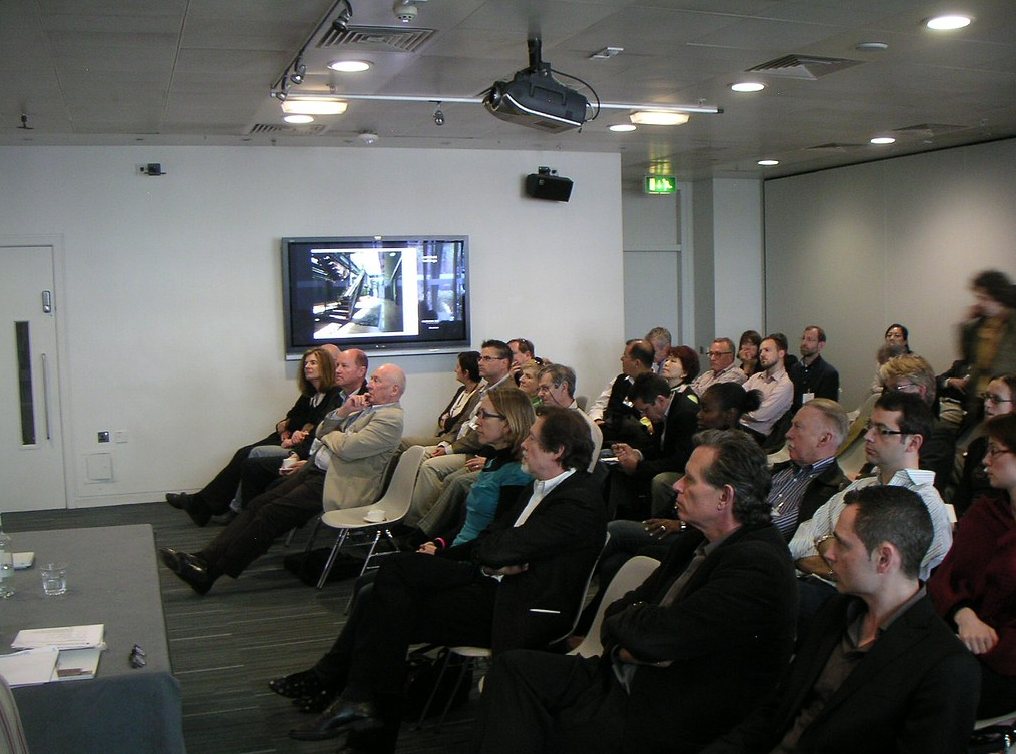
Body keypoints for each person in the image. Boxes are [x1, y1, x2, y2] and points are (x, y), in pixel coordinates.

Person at [279, 406, 607, 752]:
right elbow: (493, 541)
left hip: (521, 610)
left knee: (388, 592)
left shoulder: (578, 502)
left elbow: (496, 548)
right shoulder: (541, 485)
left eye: (532, 439)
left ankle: (359, 708)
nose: (524, 442)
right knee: (388, 598)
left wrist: (495, 558)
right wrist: (477, 556)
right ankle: (361, 710)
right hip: (494, 587)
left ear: (558, 452)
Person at [475, 430, 798, 754]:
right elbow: (619, 611)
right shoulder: (695, 540)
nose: (676, 486)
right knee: (512, 669)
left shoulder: (757, 564)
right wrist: (630, 641)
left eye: (689, 479)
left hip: (664, 707)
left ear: (725, 497)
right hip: (624, 675)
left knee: (542, 721)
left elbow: (655, 639)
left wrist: (638, 634)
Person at [702, 485, 980, 754]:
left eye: (843, 545)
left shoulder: (946, 667)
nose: (830, 554)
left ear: (884, 558)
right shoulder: (838, 610)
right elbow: (776, 710)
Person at [157, 363, 406, 595]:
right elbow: (321, 429)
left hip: (338, 484)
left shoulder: (390, 419)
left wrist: (333, 434)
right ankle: (203, 559)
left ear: (394, 390)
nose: (370, 384)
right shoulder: (365, 409)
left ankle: (209, 573)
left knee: (271, 515)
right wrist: (343, 412)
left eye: (376, 380)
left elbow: (347, 448)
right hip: (316, 471)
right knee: (258, 504)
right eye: (371, 379)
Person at [789, 391, 953, 638]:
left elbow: (886, 581)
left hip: (854, 611)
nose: (868, 437)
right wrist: (832, 551)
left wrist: (825, 556)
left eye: (881, 430)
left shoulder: (925, 505)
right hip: (811, 590)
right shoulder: (860, 488)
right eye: (869, 427)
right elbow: (800, 540)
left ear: (913, 443)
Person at [165, 346, 339, 526]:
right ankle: (206, 505)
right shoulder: (310, 394)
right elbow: (291, 417)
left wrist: (296, 429)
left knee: (248, 456)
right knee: (244, 452)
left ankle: (213, 507)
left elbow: (316, 427)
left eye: (313, 363)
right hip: (286, 440)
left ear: (326, 366)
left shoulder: (333, 395)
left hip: (301, 449)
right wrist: (288, 428)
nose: (307, 367)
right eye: (306, 363)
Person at [930, 412, 1016, 718]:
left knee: (932, 695)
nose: (984, 461)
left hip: (1002, 663)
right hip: (955, 636)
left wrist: (979, 642)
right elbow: (945, 577)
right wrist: (964, 615)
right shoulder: (985, 514)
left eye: (995, 451)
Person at [410, 387, 535, 546]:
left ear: (508, 424)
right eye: (478, 414)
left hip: (472, 556)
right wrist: (440, 542)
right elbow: (471, 524)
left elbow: (494, 537)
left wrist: (443, 552)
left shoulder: (516, 474)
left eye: (485, 415)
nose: (477, 422)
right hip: (459, 545)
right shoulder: (494, 460)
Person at [648, 382, 760, 514]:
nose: (699, 415)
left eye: (706, 410)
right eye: (700, 408)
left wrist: (681, 526)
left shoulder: (739, 451)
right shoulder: (705, 436)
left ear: (730, 414)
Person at [609, 373, 698, 519]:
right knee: (619, 468)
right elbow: (658, 448)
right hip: (673, 462)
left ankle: (656, 523)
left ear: (660, 400)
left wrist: (638, 466)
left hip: (686, 470)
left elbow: (680, 461)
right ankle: (624, 515)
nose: (644, 416)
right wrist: (637, 454)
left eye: (645, 410)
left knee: (661, 481)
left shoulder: (685, 414)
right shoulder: (661, 413)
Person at [946, 269, 1016, 414]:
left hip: (1005, 398)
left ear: (998, 297)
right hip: (979, 395)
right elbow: (968, 357)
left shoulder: (1012, 323)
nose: (980, 303)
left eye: (984, 298)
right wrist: (965, 324)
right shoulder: (981, 324)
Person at [953, 372, 1016, 516]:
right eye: (986, 397)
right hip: (970, 518)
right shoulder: (978, 444)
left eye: (996, 400)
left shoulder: (1012, 449)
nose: (987, 404)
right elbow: (962, 495)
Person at [398, 350, 480, 449]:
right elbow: (441, 418)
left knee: (403, 444)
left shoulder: (477, 395)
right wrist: (446, 421)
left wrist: (446, 421)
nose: (455, 370)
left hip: (451, 441)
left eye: (458, 367)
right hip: (442, 437)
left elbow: (455, 424)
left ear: (466, 372)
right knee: (401, 443)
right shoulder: (461, 391)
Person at [536, 363, 603, 472]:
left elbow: (584, 472)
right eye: (540, 389)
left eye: (545, 388)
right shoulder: (542, 419)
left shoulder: (587, 427)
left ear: (564, 387)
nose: (540, 394)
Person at [586, 339, 655, 446]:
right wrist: (597, 420)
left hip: (631, 442)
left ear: (637, 363)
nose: (621, 359)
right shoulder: (620, 380)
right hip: (605, 432)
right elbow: (599, 405)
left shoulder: (657, 387)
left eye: (625, 356)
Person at [739, 333, 794, 442]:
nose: (762, 355)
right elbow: (736, 397)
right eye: (760, 351)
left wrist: (737, 411)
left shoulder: (785, 384)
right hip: (740, 428)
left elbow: (758, 415)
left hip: (756, 436)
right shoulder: (756, 377)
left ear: (781, 353)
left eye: (767, 350)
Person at [788, 325, 840, 410]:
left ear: (821, 345)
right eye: (803, 338)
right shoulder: (795, 368)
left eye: (809, 339)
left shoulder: (828, 373)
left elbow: (828, 409)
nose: (804, 343)